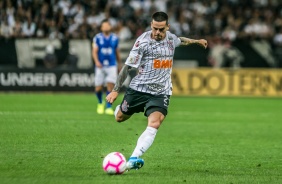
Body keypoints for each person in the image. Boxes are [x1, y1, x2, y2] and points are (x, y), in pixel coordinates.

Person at [106, 12, 207, 170]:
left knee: (155, 122)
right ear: (151, 26)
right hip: (139, 89)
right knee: (120, 117)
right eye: (155, 29)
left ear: (167, 27)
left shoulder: (171, 38)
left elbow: (181, 40)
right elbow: (127, 67)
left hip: (161, 91)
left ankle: (134, 158)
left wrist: (197, 41)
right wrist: (115, 90)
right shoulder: (142, 42)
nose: (158, 33)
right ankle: (120, 108)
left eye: (161, 29)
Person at [92, 19, 121, 115]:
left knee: (110, 85)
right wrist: (96, 61)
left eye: (107, 25)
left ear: (110, 27)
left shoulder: (115, 38)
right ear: (101, 28)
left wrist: (119, 64)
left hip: (112, 65)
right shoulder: (97, 38)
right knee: (98, 88)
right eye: (104, 26)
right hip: (100, 65)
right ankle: (100, 103)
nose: (106, 27)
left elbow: (117, 51)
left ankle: (108, 107)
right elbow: (95, 51)